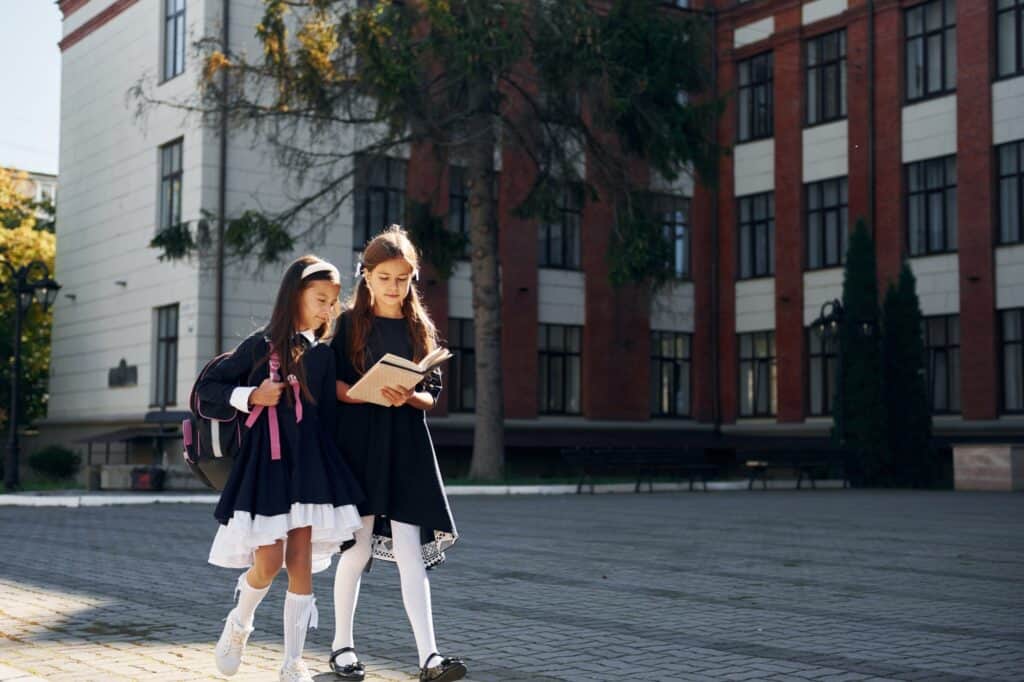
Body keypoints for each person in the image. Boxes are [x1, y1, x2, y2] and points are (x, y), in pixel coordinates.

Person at [199, 255, 365, 682]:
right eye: (320, 299)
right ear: (296, 295)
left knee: (301, 562)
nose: (328, 309)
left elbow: (332, 412)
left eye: (333, 301)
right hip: (268, 467)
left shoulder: (326, 353)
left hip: (311, 469)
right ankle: (240, 622)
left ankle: (293, 663)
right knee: (269, 562)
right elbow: (205, 392)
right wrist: (252, 394)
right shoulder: (262, 346)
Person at [329, 226, 465, 682]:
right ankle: (342, 648)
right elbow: (334, 387)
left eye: (403, 278)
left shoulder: (419, 327)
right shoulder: (348, 324)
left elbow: (431, 396)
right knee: (358, 548)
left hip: (407, 447)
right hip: (361, 446)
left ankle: (430, 657)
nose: (394, 286)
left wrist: (407, 395)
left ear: (413, 279)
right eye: (385, 277)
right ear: (366, 276)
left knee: (411, 552)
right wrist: (370, 394)